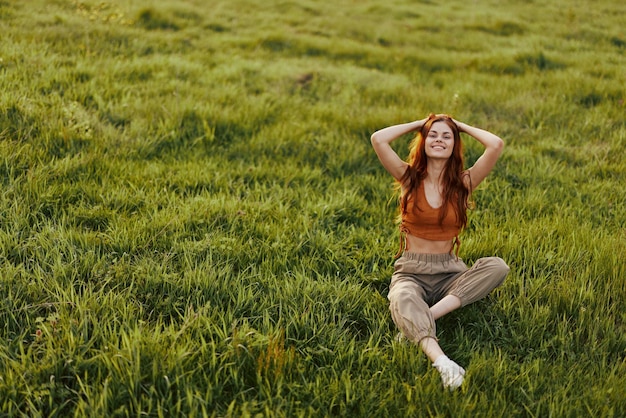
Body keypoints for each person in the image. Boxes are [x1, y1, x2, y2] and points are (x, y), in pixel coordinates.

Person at [370, 113, 510, 390]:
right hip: (411, 270)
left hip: (450, 272)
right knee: (402, 296)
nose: (438, 140)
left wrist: (459, 126)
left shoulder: (463, 183)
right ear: (423, 142)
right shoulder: (409, 178)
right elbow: (379, 139)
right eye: (432, 135)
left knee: (498, 267)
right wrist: (420, 123)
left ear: (454, 145)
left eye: (447, 136)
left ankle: (424, 317)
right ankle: (444, 363)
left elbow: (495, 145)